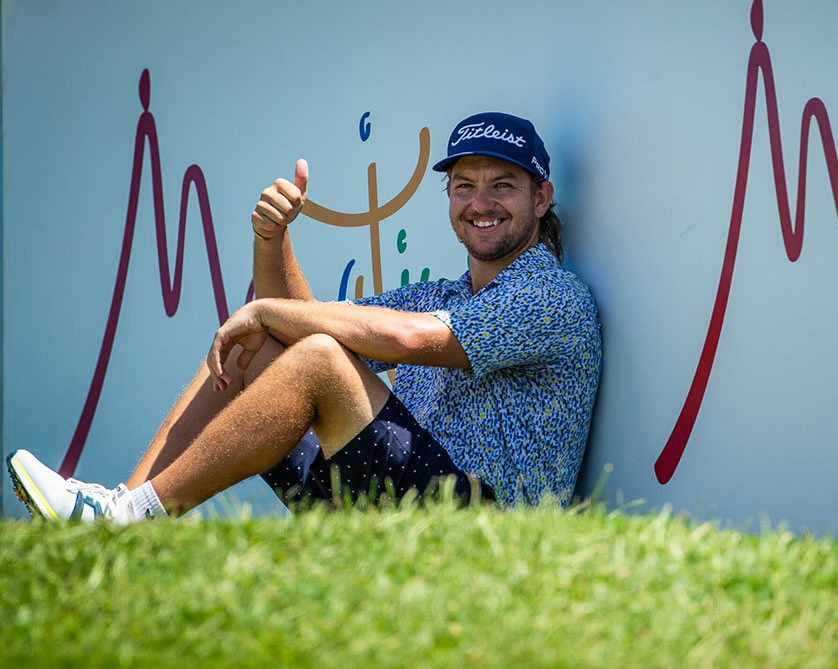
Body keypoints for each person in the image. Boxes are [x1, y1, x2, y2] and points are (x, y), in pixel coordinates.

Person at [7, 112, 602, 522]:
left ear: (541, 198)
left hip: (488, 535)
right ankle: (117, 517)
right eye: (464, 186)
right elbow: (311, 322)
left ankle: (131, 515)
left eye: (503, 186)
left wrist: (266, 308)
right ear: (448, 199)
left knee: (313, 354)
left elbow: (411, 339)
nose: (480, 203)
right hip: (411, 507)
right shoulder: (441, 292)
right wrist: (272, 239)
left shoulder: (553, 294)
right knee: (260, 348)